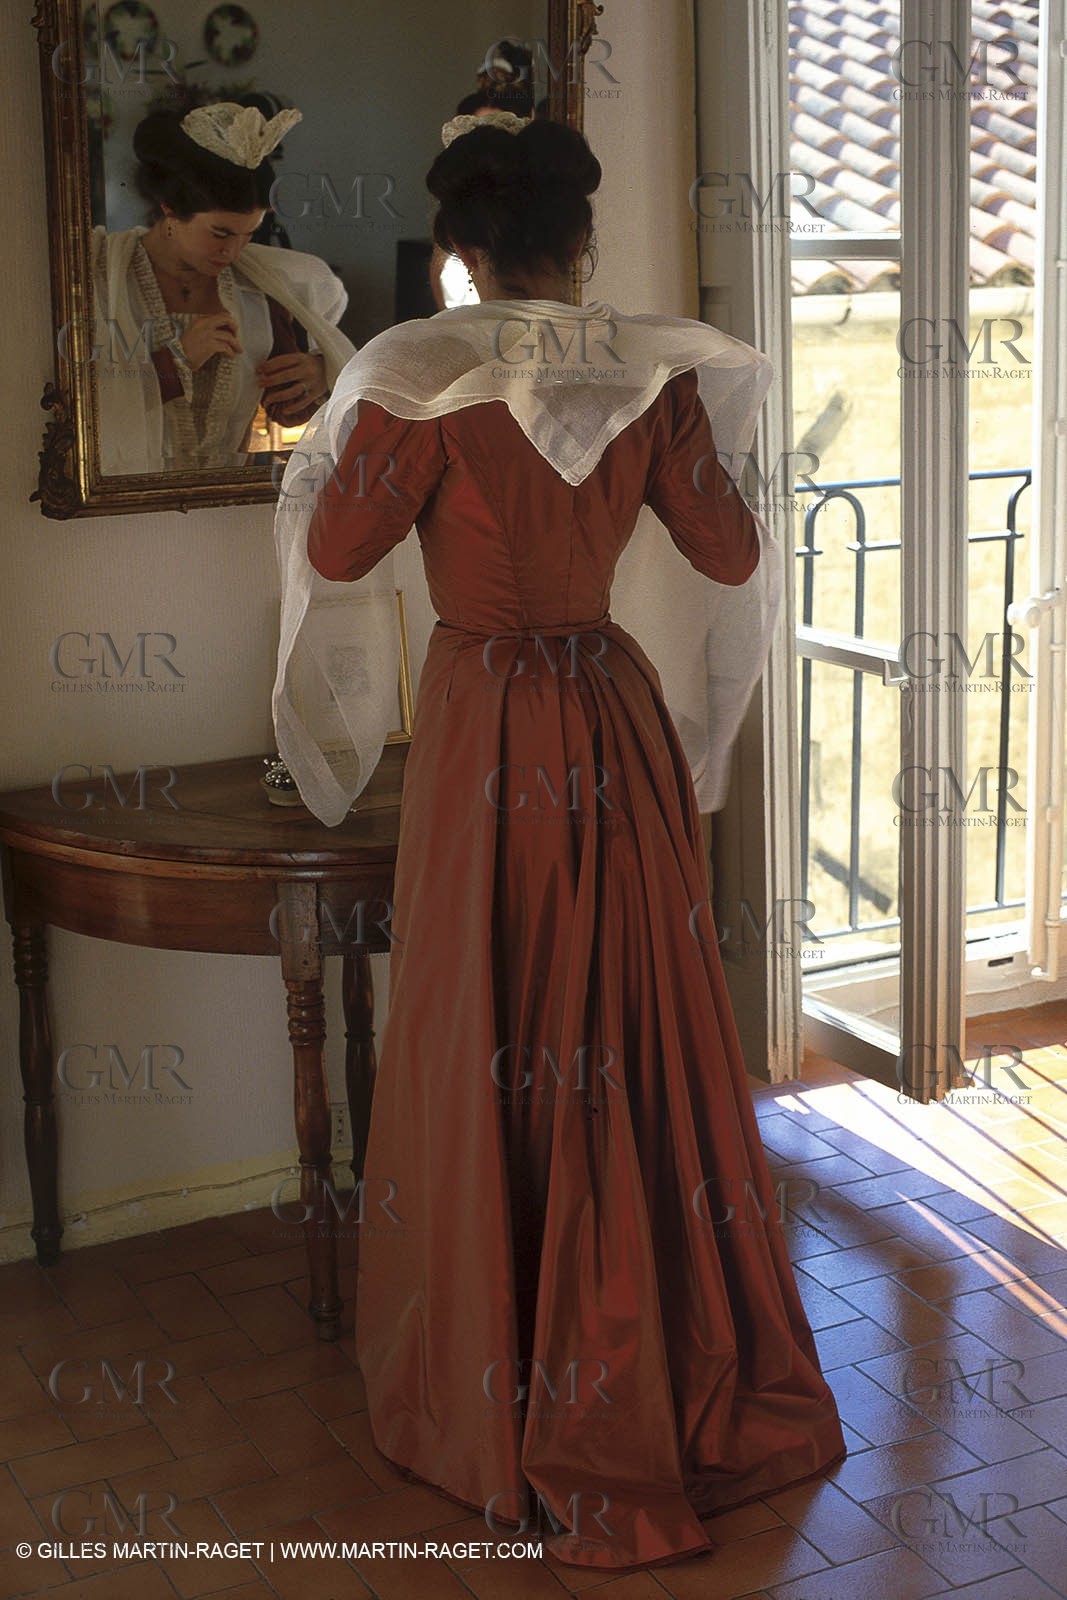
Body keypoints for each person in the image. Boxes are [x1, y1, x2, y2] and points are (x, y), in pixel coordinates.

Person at [271, 114, 846, 1571]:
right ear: (577, 246)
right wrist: (676, 446)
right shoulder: (644, 379)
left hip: (482, 733)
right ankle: (651, 1349)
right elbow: (730, 557)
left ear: (459, 253)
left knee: (492, 1026)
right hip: (605, 715)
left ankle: (497, 1380)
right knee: (628, 1029)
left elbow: (334, 555)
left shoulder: (418, 383)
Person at [91, 102, 354, 474]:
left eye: (248, 234)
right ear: (169, 208)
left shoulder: (261, 286)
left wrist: (317, 375)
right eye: (220, 233)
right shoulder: (103, 277)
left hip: (221, 508)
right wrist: (177, 359)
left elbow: (289, 414)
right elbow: (83, 406)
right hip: (118, 514)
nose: (232, 251)